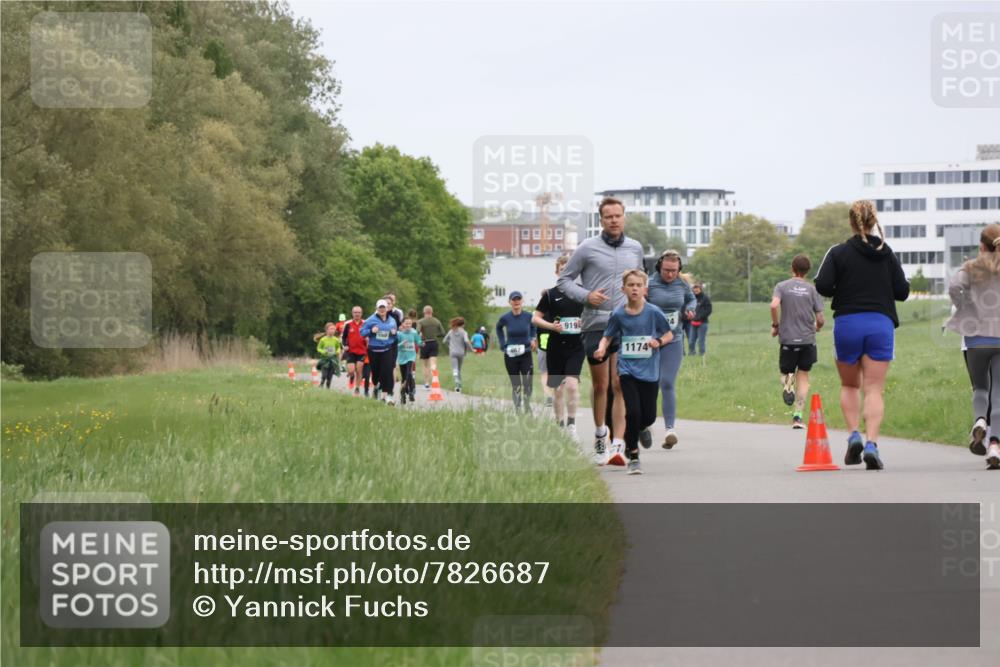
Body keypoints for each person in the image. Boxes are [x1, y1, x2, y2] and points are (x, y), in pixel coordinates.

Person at [814, 200, 909, 470]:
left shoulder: (838, 252)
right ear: (872, 221)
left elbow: (822, 284)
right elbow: (902, 291)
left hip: (848, 323)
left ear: (851, 223)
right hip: (880, 323)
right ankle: (872, 444)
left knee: (850, 385)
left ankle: (854, 434)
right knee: (874, 389)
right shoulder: (886, 252)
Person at [557, 196, 645, 465]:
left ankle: (618, 445)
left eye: (618, 215)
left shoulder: (635, 247)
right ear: (601, 220)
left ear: (624, 217)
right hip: (596, 322)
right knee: (601, 385)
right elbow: (564, 280)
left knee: (620, 383)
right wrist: (586, 296)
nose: (614, 220)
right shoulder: (587, 248)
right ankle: (600, 434)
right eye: (609, 217)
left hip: (626, 324)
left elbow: (641, 280)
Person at [595, 269, 672, 475]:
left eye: (638, 285)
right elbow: (608, 336)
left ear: (644, 289)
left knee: (647, 417)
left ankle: (642, 428)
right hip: (627, 369)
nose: (635, 289)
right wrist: (602, 348)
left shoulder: (654, 312)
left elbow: (669, 334)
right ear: (624, 289)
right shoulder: (618, 314)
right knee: (633, 412)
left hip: (649, 371)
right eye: (631, 285)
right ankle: (634, 456)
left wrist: (659, 341)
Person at [947, 222, 1000, 470]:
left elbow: (954, 287)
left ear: (981, 246)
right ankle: (994, 446)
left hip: (976, 339)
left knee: (981, 388)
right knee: (998, 395)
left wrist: (967, 306)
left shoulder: (970, 267)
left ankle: (980, 420)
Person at [646, 249, 696, 448]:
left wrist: (691, 309)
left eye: (674, 271)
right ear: (660, 267)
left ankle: (669, 430)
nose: (670, 274)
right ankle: (645, 424)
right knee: (649, 384)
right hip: (649, 341)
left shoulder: (682, 284)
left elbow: (691, 299)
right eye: (667, 270)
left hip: (673, 339)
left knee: (666, 382)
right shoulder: (649, 283)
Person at [770, 254, 826, 429]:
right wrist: (816, 327)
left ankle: (788, 386)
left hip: (787, 339)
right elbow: (821, 319)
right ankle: (798, 417)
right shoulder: (812, 290)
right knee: (803, 376)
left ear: (792, 268)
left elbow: (773, 305)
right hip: (807, 340)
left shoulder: (782, 286)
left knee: (787, 374)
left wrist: (775, 325)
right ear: (807, 271)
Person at [533, 254, 586, 435]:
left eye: (569, 270)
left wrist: (583, 323)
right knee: (557, 390)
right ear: (557, 273)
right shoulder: (550, 294)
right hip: (555, 347)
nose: (566, 273)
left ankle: (571, 424)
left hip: (576, 346)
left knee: (571, 385)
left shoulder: (582, 293)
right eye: (562, 270)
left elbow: (592, 315)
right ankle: (559, 424)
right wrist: (551, 326)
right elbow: (536, 318)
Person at [496, 291, 538, 413]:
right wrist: (502, 343)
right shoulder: (505, 318)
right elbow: (498, 328)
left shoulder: (528, 316)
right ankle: (517, 408)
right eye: (514, 299)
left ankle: (527, 405)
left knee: (528, 382)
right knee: (516, 384)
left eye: (518, 299)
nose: (516, 302)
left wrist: (532, 338)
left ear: (522, 301)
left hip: (526, 353)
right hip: (511, 355)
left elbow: (534, 326)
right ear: (509, 302)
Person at [360, 299, 399, 405]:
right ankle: (377, 385)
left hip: (387, 349)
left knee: (386, 371)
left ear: (387, 309)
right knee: (376, 375)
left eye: (384, 308)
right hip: (373, 350)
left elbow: (396, 335)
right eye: (380, 308)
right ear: (376, 308)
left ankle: (386, 397)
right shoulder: (370, 320)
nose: (382, 310)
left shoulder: (392, 320)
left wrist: (395, 333)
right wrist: (371, 331)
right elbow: (362, 332)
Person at [396, 317, 423, 405]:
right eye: (406, 323)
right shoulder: (399, 334)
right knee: (404, 377)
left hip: (411, 356)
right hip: (401, 358)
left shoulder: (414, 332)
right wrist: (401, 344)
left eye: (409, 324)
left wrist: (421, 343)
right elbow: (395, 346)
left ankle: (411, 392)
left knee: (409, 373)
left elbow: (418, 341)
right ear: (402, 324)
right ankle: (403, 394)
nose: (408, 325)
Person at [341, 306, 368, 395]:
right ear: (352, 313)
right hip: (351, 351)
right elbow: (344, 337)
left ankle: (357, 388)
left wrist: (367, 340)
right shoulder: (348, 324)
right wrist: (345, 345)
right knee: (351, 370)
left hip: (362, 351)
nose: (357, 314)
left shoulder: (365, 323)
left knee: (359, 369)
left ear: (361, 313)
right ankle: (351, 376)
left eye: (359, 312)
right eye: (355, 312)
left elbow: (369, 335)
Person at [443, 317, 474, 392]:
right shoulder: (464, 332)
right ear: (462, 324)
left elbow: (444, 340)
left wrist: (450, 345)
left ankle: (457, 382)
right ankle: (459, 386)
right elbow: (466, 341)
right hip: (461, 353)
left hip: (453, 352)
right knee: (459, 369)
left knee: (455, 368)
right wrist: (471, 349)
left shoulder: (451, 331)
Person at [417, 305, 445, 388]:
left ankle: (426, 383)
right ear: (432, 312)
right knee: (433, 364)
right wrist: (436, 335)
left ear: (424, 312)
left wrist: (421, 336)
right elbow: (443, 333)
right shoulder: (436, 321)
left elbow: (417, 332)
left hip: (425, 343)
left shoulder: (421, 321)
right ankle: (435, 380)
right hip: (434, 343)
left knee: (425, 365)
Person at [314, 322, 342, 389]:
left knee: (330, 376)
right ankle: (321, 383)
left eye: (333, 329)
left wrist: (337, 351)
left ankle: (328, 388)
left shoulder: (336, 339)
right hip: (325, 359)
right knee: (324, 375)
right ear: (326, 330)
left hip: (333, 359)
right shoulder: (323, 340)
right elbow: (318, 348)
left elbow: (338, 347)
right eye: (331, 329)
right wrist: (323, 351)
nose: (332, 330)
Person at [688, 283, 712, 356]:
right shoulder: (692, 299)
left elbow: (709, 310)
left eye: (697, 290)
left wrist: (700, 316)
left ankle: (702, 354)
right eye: (694, 290)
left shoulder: (705, 298)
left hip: (702, 323)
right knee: (691, 340)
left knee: (701, 340)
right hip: (693, 322)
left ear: (700, 289)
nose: (695, 291)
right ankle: (691, 354)